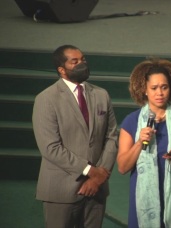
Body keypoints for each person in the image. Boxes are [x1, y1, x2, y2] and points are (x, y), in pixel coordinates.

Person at [32, 44, 118, 227]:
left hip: (97, 189)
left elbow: (111, 137)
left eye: (83, 59)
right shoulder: (46, 99)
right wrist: (90, 171)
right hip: (61, 190)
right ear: (61, 70)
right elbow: (50, 148)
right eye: (75, 61)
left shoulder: (101, 95)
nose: (82, 64)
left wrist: (99, 176)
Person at [117, 58, 171, 228]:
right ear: (145, 90)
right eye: (154, 88)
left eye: (164, 87)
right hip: (143, 197)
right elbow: (122, 167)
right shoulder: (131, 121)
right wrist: (139, 142)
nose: (160, 93)